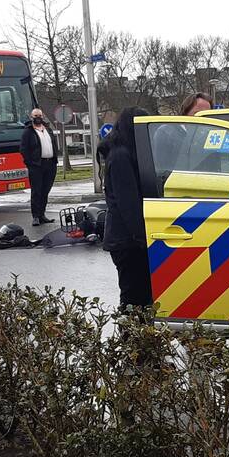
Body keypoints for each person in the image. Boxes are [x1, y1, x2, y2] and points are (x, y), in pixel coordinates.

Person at [103, 107, 153, 309]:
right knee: (133, 297)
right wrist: (143, 238)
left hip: (127, 240)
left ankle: (136, 336)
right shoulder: (121, 156)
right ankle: (129, 338)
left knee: (139, 295)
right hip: (127, 242)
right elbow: (128, 204)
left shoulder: (121, 153)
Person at [151, 92, 212, 173]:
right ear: (186, 112)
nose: (202, 118)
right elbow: (161, 168)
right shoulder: (166, 133)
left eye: (206, 115)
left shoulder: (210, 135)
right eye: (197, 113)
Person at [19, 108, 59, 226]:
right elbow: (23, 149)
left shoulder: (48, 129)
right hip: (36, 165)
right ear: (32, 117)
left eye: (40, 115)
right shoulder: (28, 132)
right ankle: (35, 216)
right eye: (36, 115)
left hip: (50, 164)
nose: (38, 117)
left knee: (45, 190)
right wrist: (30, 163)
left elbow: (54, 144)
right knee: (36, 191)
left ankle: (42, 214)